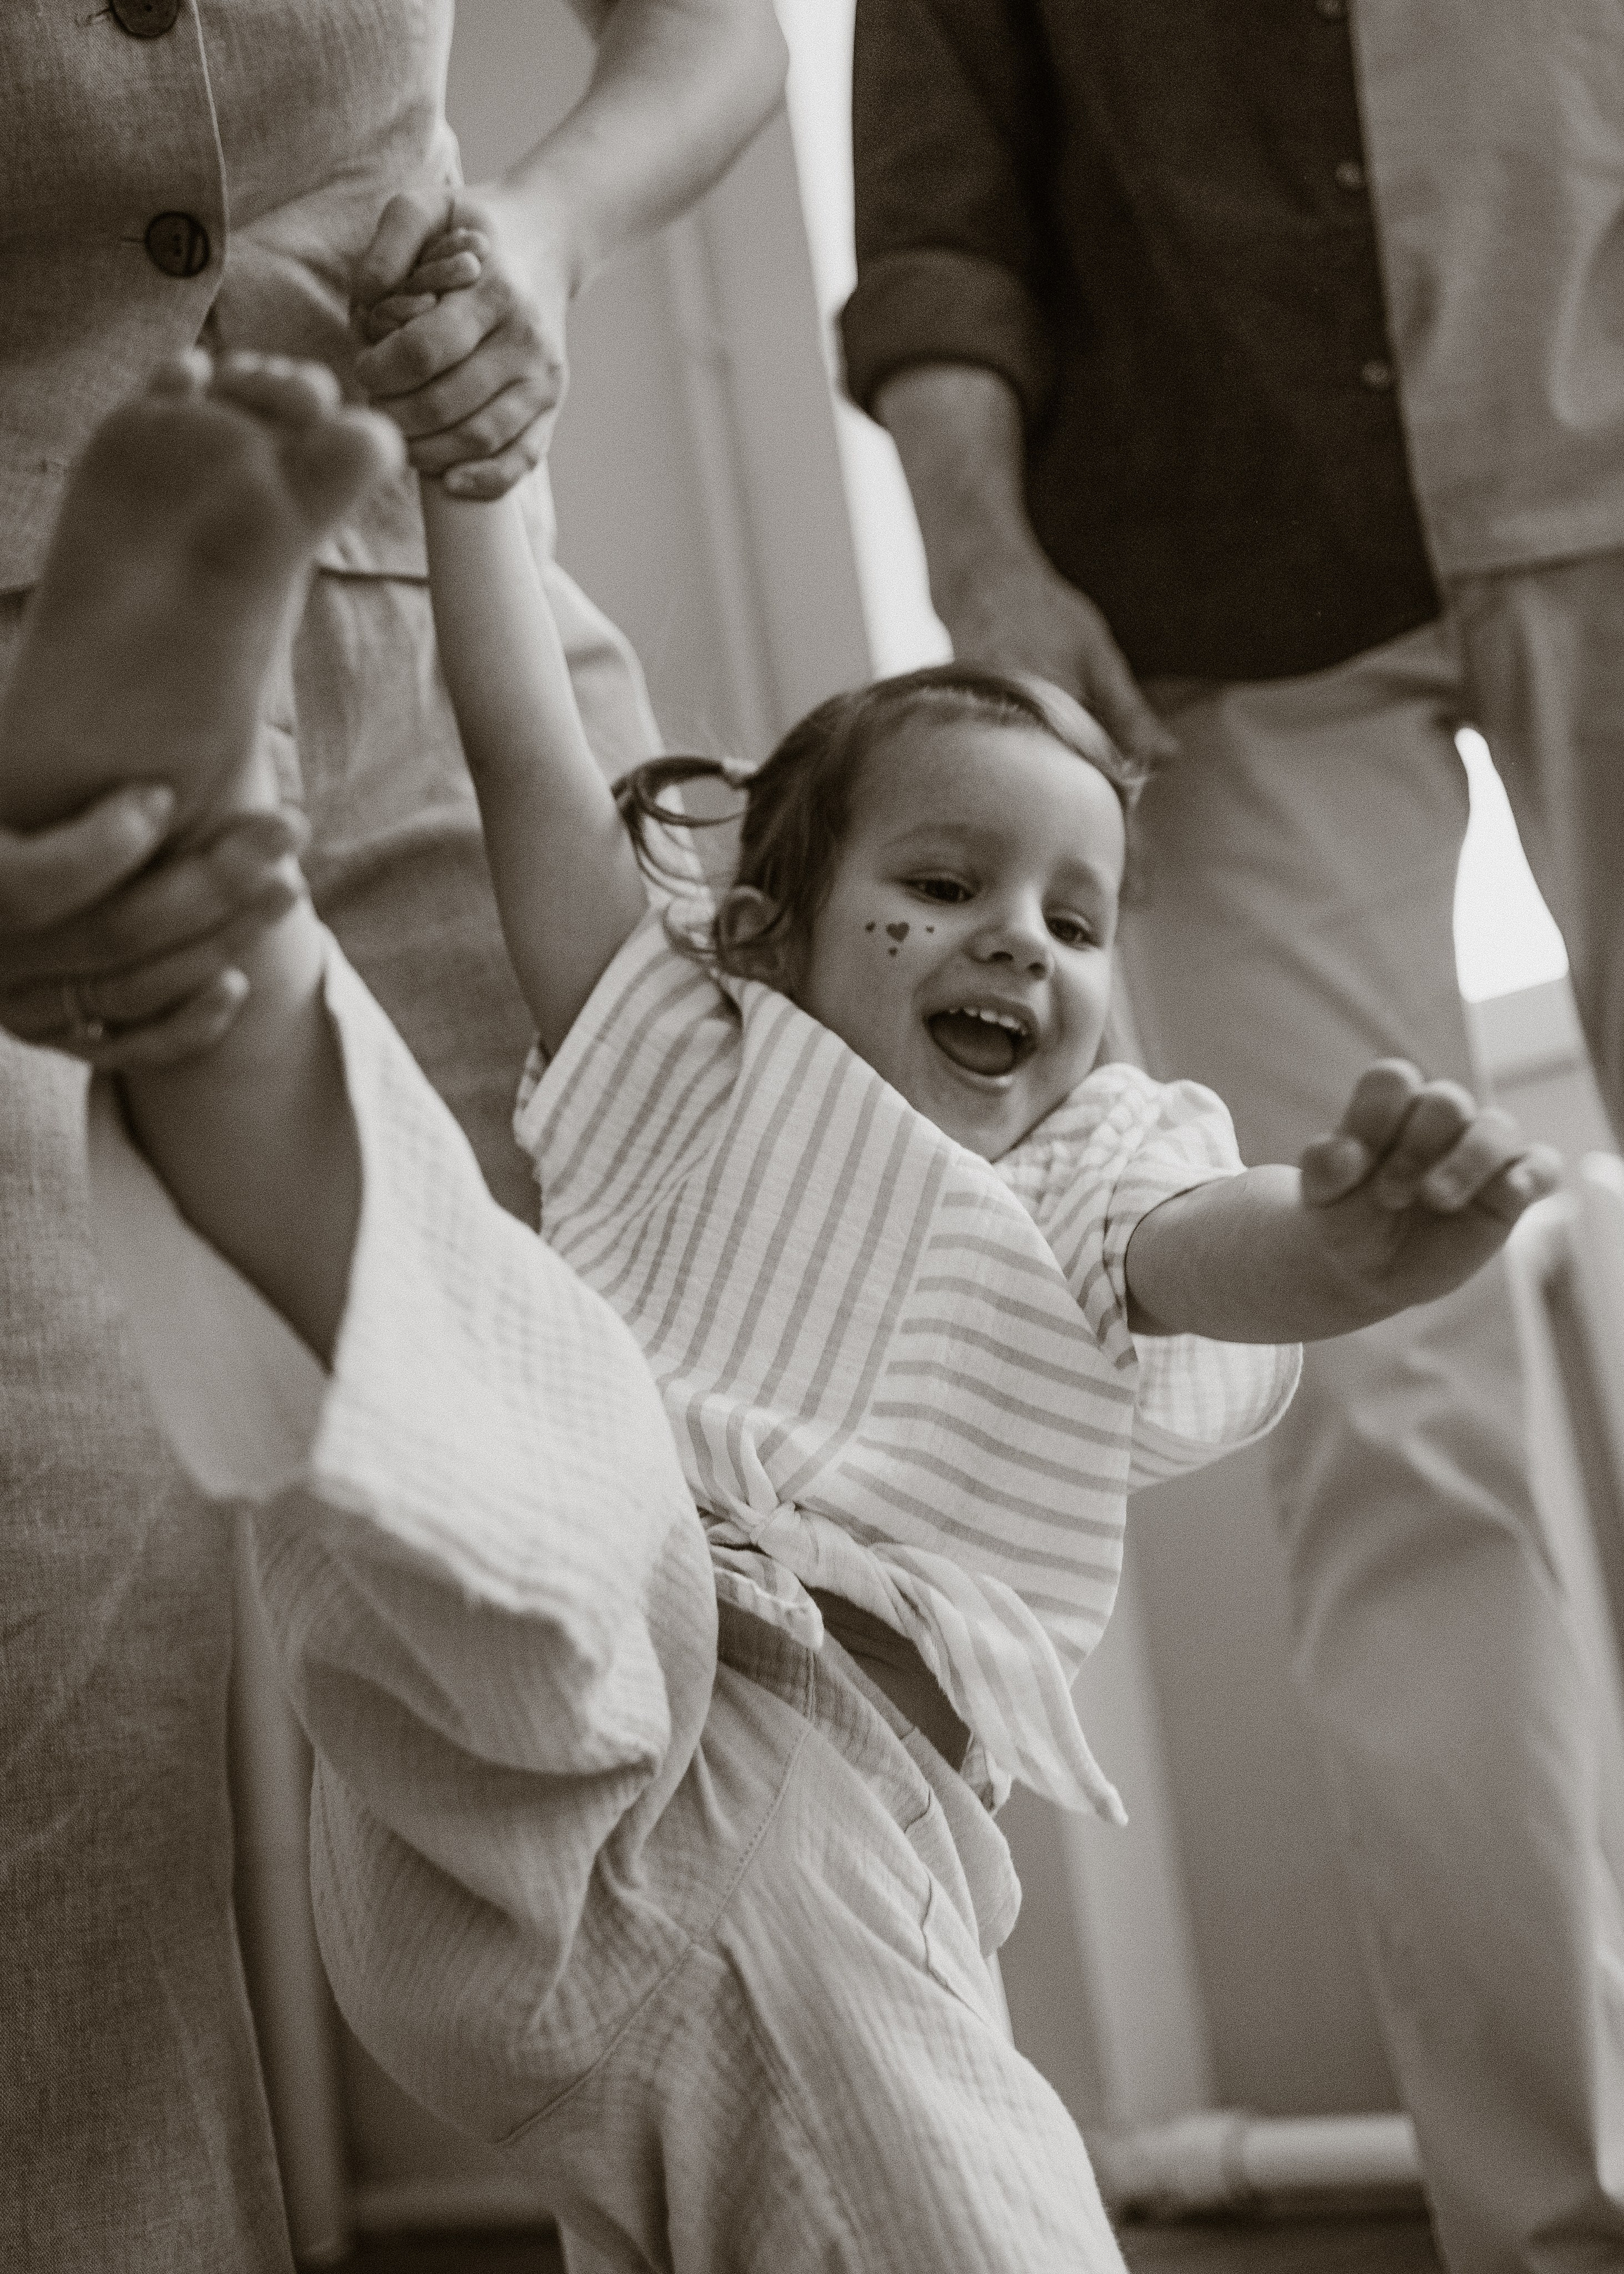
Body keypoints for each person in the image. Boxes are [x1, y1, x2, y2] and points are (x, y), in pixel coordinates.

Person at [3, 312, 1561, 2264]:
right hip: (609, 1706)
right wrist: (480, 482)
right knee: (483, 1374)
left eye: (1074, 917)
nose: (1022, 940)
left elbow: (1208, 1255)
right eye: (946, 882)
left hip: (813, 1834)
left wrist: (1345, 1247)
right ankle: (183, 914)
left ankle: (170, 933)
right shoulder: (694, 1056)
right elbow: (525, 755)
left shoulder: (1086, 1167)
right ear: (767, 931)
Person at [0, 6, 785, 2269]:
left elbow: (710, 33)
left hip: (452, 644)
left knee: (737, 1581)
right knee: (51, 1755)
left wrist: (544, 220)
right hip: (33, 729)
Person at [839, 3, 1624, 2264]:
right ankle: (1553, 2225)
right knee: (1389, 1413)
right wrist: (979, 557)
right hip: (1220, 590)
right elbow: (944, 206)